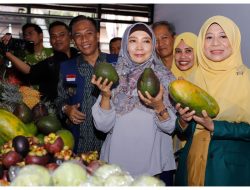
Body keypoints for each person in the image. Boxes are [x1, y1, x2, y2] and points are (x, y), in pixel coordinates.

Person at [91, 23, 176, 185]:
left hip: (152, 168)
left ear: (153, 45)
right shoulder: (111, 76)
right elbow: (102, 126)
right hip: (115, 167)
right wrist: (105, 96)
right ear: (125, 45)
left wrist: (158, 106)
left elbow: (170, 127)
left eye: (146, 41)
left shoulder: (164, 77)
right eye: (132, 41)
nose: (139, 47)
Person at [174, 15, 250, 186]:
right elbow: (183, 131)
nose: (215, 43)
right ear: (202, 43)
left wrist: (216, 126)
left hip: (228, 173)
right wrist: (183, 121)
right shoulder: (191, 79)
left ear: (234, 40)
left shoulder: (247, 79)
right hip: (191, 166)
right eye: (209, 37)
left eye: (223, 36)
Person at [55, 15, 118, 154]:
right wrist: (66, 109)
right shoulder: (67, 67)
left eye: (88, 33)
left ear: (97, 35)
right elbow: (60, 99)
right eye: (78, 35)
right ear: (72, 39)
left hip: (114, 143)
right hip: (79, 145)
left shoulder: (116, 63)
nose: (84, 40)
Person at [4, 21, 79, 102]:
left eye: (61, 35)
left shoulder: (81, 59)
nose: (57, 39)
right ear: (50, 40)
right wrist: (8, 53)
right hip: (52, 110)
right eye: (53, 36)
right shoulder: (50, 63)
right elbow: (30, 71)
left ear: (70, 37)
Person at [171, 32, 198, 156]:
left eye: (188, 51)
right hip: (169, 149)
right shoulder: (167, 78)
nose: (182, 56)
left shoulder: (204, 81)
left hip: (196, 147)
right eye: (178, 51)